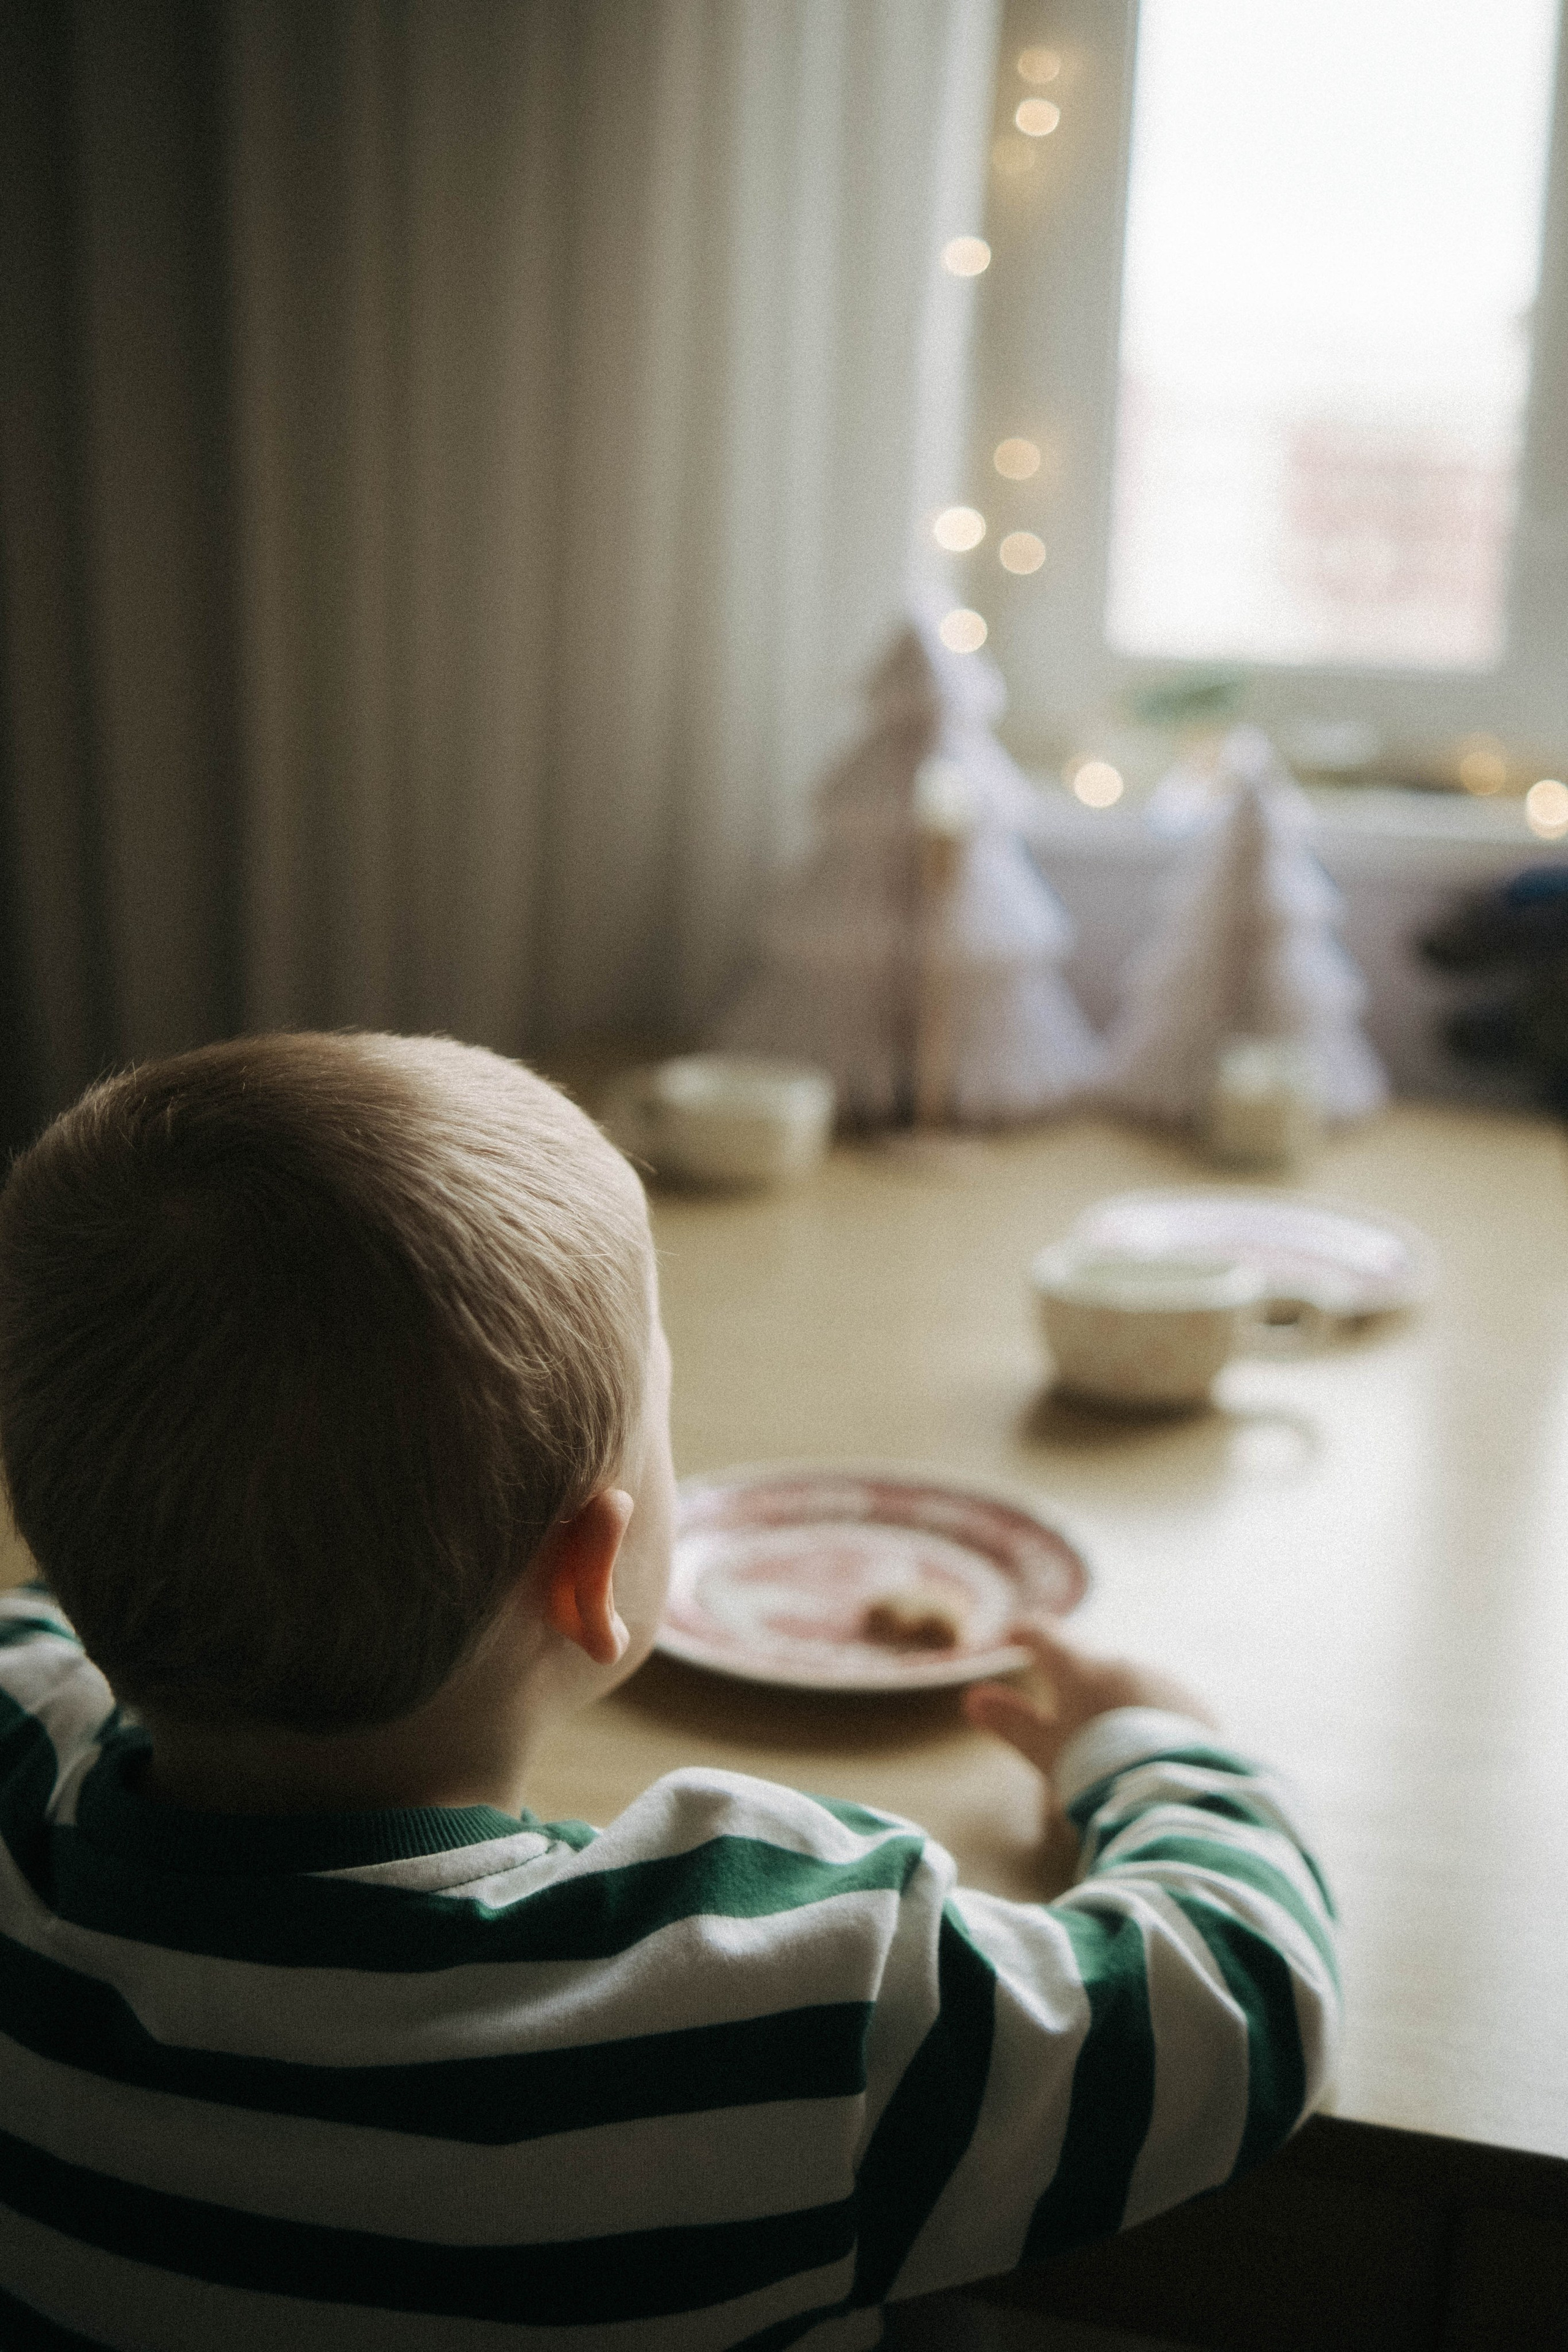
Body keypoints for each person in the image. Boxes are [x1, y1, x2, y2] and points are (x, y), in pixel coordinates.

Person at [0, 1033, 1338, 2351]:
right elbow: (1243, 2006)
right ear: (589, 1576)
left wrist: (169, 1544)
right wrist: (1151, 1750)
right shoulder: (783, 2001)